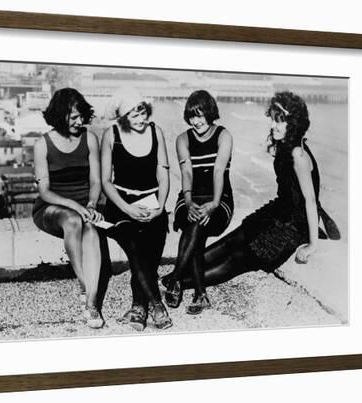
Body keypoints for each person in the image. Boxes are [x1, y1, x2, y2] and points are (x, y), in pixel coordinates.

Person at [161, 91, 340, 293]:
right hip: (276, 212)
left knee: (237, 259)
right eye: (273, 120)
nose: (273, 125)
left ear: (294, 124)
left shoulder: (298, 154)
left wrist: (312, 245)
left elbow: (310, 201)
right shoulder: (284, 146)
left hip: (291, 226)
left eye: (279, 122)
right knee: (231, 241)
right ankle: (176, 274)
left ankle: (180, 282)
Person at [101, 88, 173, 331]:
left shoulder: (157, 132)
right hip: (120, 207)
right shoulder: (110, 135)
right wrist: (128, 210)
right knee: (135, 248)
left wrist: (161, 205)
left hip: (153, 204)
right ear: (123, 118)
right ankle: (156, 304)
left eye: (142, 112)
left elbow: (163, 173)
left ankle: (138, 307)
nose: (141, 119)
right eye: (134, 115)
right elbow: (105, 182)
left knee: (149, 257)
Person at [32, 88, 105, 329]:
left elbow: (96, 181)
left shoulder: (89, 139)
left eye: (82, 115)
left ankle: (91, 303)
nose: (80, 121)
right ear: (59, 115)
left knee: (92, 229)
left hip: (85, 205)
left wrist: (92, 204)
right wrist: (76, 205)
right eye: (73, 116)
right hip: (52, 208)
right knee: (73, 221)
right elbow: (45, 192)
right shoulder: (42, 144)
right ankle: (85, 284)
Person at [163, 90, 234, 314]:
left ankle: (176, 279)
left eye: (200, 115)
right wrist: (188, 200)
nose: (196, 121)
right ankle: (200, 294)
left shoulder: (224, 135)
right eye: (192, 116)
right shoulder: (183, 139)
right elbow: (187, 173)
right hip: (190, 196)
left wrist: (213, 203)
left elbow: (218, 171)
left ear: (210, 113)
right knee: (195, 226)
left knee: (196, 227)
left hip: (219, 197)